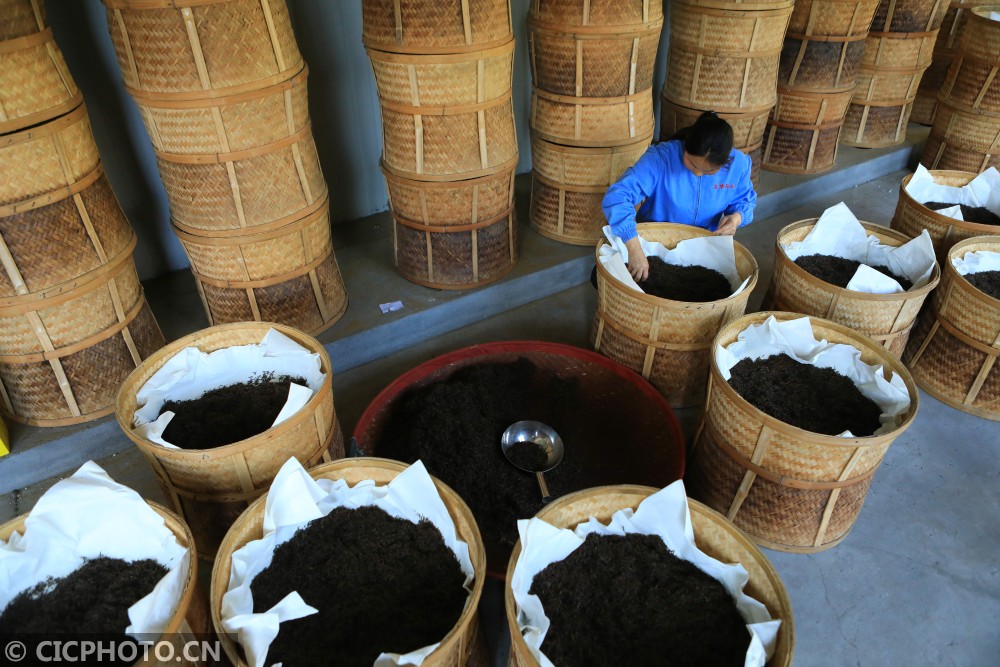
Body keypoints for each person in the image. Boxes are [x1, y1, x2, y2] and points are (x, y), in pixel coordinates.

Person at [601, 111, 757, 281]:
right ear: (686, 146)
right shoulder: (661, 159)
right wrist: (633, 247)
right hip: (654, 245)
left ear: (726, 161)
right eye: (691, 162)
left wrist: (736, 217)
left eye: (708, 171)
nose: (697, 173)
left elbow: (745, 201)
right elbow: (618, 196)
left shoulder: (738, 165)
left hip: (702, 247)